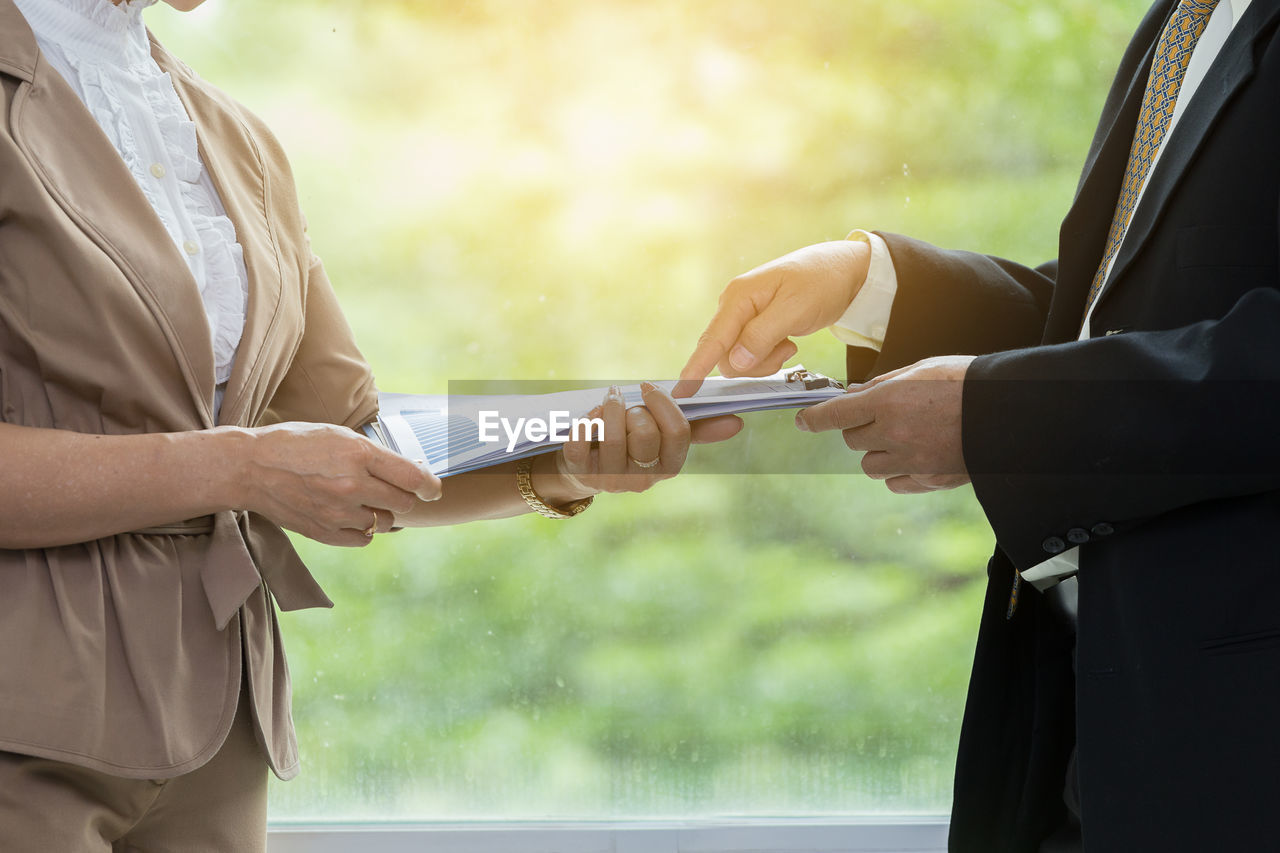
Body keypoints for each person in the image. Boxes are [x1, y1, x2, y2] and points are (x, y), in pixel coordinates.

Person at [0, 0, 742, 849]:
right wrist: (234, 468)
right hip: (23, 727)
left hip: (219, 727)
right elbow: (258, 462)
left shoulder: (235, 140)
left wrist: (566, 458)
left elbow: (357, 437)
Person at [678, 0, 1280, 850]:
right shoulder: (1181, 22)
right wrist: (871, 282)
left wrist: (999, 414)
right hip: (1094, 729)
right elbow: (1106, 328)